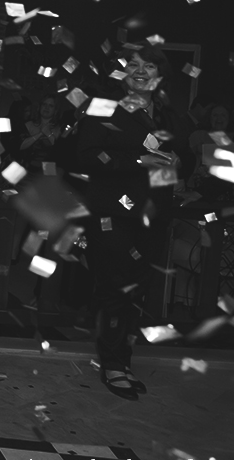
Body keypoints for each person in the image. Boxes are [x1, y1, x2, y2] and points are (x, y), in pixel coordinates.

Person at [73, 45, 182, 400]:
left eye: (148, 64)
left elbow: (191, 157)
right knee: (114, 287)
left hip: (155, 215)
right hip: (112, 215)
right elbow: (85, 155)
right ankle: (112, 364)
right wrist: (139, 162)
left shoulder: (168, 115)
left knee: (136, 290)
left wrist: (179, 160)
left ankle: (122, 359)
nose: (139, 70)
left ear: (160, 75)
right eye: (132, 64)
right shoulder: (104, 105)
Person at [18, 95, 64, 166]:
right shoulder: (28, 124)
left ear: (55, 110)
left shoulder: (60, 127)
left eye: (51, 105)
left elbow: (60, 151)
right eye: (44, 104)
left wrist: (48, 134)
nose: (46, 107)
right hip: (27, 167)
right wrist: (40, 134)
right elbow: (20, 146)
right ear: (39, 107)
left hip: (50, 169)